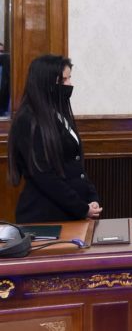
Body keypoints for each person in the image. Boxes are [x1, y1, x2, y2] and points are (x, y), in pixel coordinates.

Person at [8, 55, 102, 223]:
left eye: (69, 78)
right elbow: (45, 176)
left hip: (73, 212)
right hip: (45, 216)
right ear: (46, 83)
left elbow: (75, 164)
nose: (69, 84)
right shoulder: (28, 119)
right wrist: (81, 208)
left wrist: (91, 197)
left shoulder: (60, 114)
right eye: (63, 80)